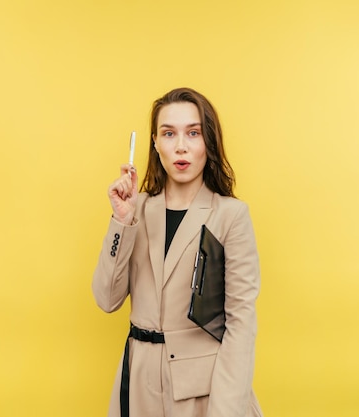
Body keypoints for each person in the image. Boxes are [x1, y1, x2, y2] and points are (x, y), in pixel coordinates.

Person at [92, 87, 262, 417]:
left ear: (208, 142)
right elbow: (106, 299)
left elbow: (241, 325)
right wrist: (121, 222)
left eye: (193, 133)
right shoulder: (136, 209)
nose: (181, 146)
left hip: (202, 393)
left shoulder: (230, 215)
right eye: (169, 133)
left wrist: (224, 411)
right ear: (155, 143)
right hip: (137, 389)